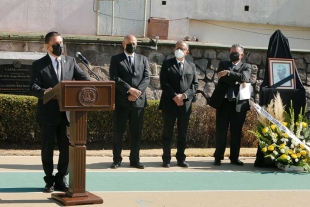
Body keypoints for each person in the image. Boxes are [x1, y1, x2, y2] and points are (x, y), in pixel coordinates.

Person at [30, 32, 90, 192]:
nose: (60, 46)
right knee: (47, 149)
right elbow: (33, 87)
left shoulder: (70, 61)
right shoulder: (39, 65)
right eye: (56, 44)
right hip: (48, 115)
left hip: (67, 115)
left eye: (61, 43)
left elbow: (84, 79)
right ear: (47, 46)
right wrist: (45, 91)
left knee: (66, 149)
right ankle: (49, 180)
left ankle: (61, 179)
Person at [109, 34, 150, 169]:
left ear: (136, 44)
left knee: (136, 133)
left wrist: (137, 92)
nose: (132, 45)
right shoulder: (116, 59)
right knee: (118, 132)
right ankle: (117, 159)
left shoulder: (143, 59)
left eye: (134, 43)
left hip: (137, 102)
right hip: (122, 101)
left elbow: (146, 77)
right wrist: (129, 90)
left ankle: (135, 160)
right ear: (123, 44)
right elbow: (114, 77)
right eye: (129, 43)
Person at [209, 44, 251, 166]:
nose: (233, 54)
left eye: (236, 52)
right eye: (231, 52)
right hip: (224, 103)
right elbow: (222, 79)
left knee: (236, 132)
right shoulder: (223, 64)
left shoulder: (246, 66)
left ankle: (234, 157)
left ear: (242, 55)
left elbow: (245, 78)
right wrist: (237, 79)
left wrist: (228, 73)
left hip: (238, 105)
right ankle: (218, 157)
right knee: (221, 131)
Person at [159, 40, 198, 168]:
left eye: (181, 48)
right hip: (169, 104)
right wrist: (175, 96)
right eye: (176, 48)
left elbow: (194, 85)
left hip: (185, 105)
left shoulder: (191, 66)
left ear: (187, 52)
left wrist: (184, 96)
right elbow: (164, 82)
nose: (178, 50)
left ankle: (181, 158)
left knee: (182, 133)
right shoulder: (167, 64)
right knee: (167, 133)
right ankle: (166, 159)